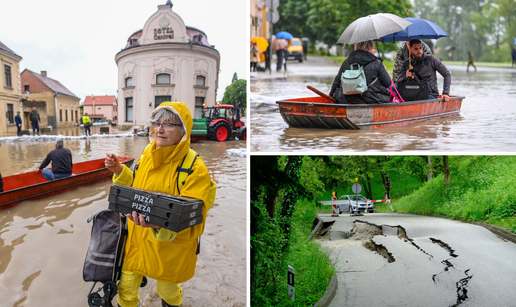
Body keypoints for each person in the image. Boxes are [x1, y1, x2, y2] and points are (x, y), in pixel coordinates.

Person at [105, 101, 214, 307]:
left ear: (183, 131)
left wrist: (157, 225)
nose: (160, 129)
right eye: (157, 123)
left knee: (167, 290)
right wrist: (120, 170)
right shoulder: (148, 153)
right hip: (138, 239)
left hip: (169, 247)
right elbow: (136, 189)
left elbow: (193, 219)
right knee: (126, 289)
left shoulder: (195, 168)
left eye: (169, 124)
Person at [329, 40, 392, 104]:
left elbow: (337, 82)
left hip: (347, 100)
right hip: (372, 100)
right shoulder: (377, 63)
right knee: (393, 93)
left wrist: (330, 95)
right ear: (366, 49)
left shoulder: (346, 61)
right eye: (373, 48)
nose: (375, 50)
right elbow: (387, 83)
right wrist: (384, 70)